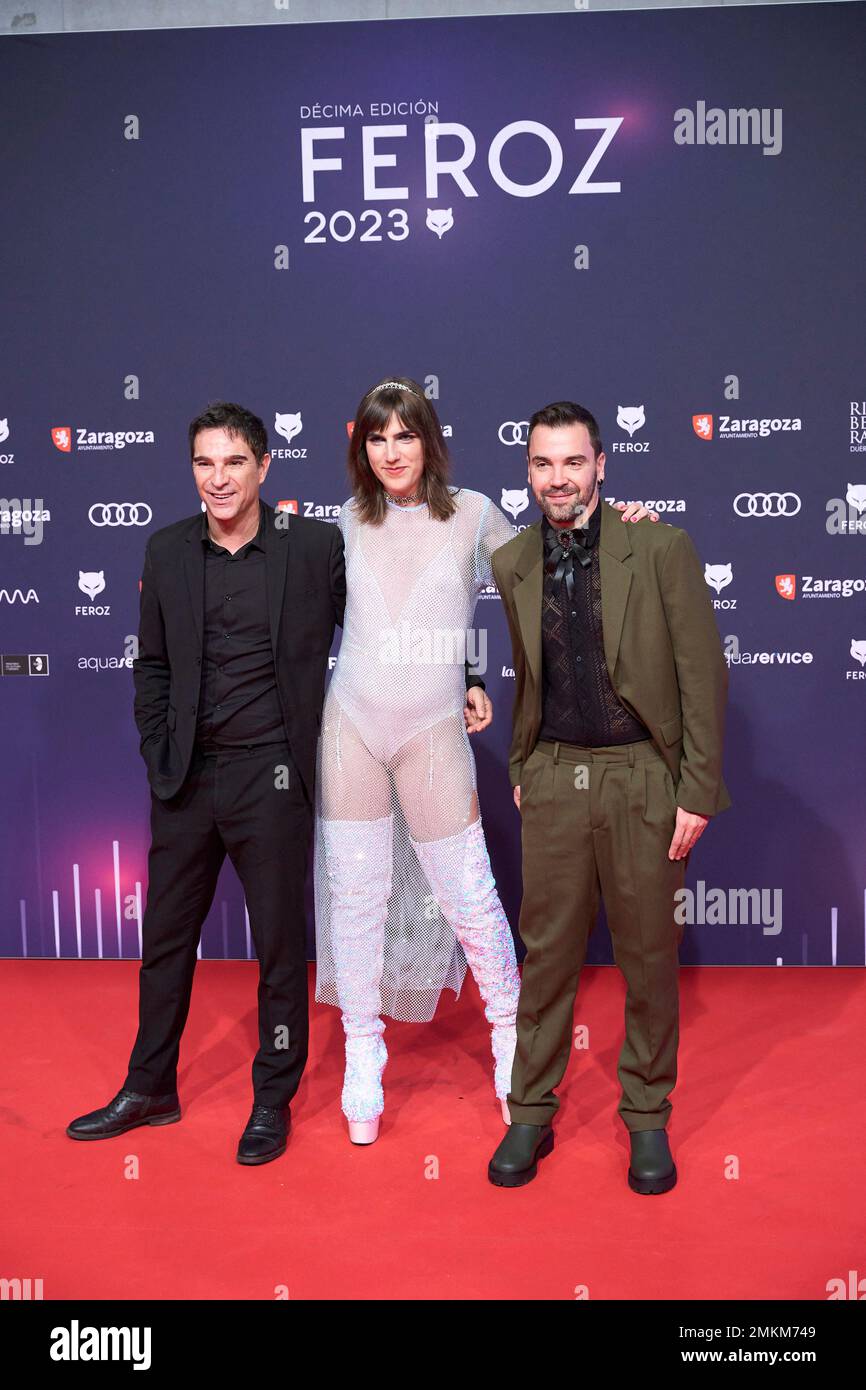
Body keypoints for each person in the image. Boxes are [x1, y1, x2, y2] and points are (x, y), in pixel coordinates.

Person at [313, 377, 655, 1144]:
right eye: (377, 438)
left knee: (470, 896)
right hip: (351, 729)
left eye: (405, 435)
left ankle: (513, 1037)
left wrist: (623, 524)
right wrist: (468, 669)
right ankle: (362, 1050)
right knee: (357, 899)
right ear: (360, 449)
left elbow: (557, 558)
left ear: (429, 440)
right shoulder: (339, 524)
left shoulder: (473, 516)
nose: (392, 452)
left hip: (433, 733)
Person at [66, 402, 345, 1166]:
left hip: (275, 780)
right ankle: (150, 1085)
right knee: (165, 943)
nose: (217, 479)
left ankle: (270, 1101)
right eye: (203, 463)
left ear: (263, 467)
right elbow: (151, 664)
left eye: (231, 463)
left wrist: (466, 670)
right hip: (186, 781)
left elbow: (388, 628)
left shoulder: (315, 547)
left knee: (281, 950)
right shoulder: (166, 552)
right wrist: (159, 751)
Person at [487, 400, 730, 1194]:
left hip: (641, 779)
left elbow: (702, 675)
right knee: (547, 956)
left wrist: (693, 789)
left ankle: (648, 1119)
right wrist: (525, 767)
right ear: (527, 472)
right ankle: (530, 1111)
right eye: (542, 464)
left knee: (649, 959)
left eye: (572, 462)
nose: (558, 478)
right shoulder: (514, 560)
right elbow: (530, 676)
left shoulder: (659, 547)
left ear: (601, 465)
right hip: (555, 775)